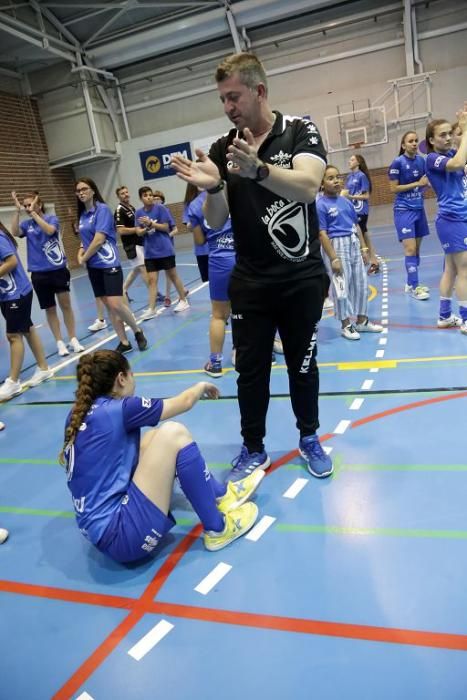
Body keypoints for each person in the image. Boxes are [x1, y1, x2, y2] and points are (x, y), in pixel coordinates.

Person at [172, 52, 332, 481]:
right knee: (250, 371)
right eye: (223, 100)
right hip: (251, 280)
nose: (228, 107)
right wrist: (213, 188)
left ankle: (309, 436)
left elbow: (308, 187)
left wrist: (258, 170)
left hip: (299, 277)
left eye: (233, 97)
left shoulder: (300, 130)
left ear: (259, 91)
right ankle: (253, 446)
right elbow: (218, 219)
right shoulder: (226, 148)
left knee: (303, 364)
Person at [60, 350, 262, 562]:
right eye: (131, 375)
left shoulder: (77, 413)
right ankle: (218, 529)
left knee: (152, 438)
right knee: (174, 433)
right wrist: (200, 386)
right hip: (123, 537)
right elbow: (183, 402)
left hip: (102, 535)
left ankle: (221, 495)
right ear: (121, 379)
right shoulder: (121, 408)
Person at [75, 177, 148, 353]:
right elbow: (85, 240)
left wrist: (84, 258)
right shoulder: (83, 215)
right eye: (78, 191)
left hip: (108, 264)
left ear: (93, 190)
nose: (81, 193)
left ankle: (137, 331)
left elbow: (99, 239)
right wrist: (80, 253)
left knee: (116, 303)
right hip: (94, 267)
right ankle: (124, 342)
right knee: (108, 306)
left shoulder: (102, 210)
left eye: (84, 189)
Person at [11, 191, 84, 356]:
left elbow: (49, 231)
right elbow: (15, 232)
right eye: (25, 205)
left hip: (58, 270)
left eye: (30, 204)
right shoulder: (26, 225)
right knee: (50, 309)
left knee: (65, 305)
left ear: (39, 204)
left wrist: (35, 214)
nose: (27, 208)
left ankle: (73, 338)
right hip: (39, 274)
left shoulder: (52, 219)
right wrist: (16, 211)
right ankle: (60, 342)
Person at [317, 165, 383, 340]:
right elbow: (322, 233)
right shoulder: (320, 205)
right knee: (341, 287)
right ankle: (345, 325)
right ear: (321, 183)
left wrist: (364, 248)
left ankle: (362, 321)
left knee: (361, 283)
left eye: (337, 177)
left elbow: (356, 226)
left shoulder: (345, 201)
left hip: (353, 242)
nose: (336, 180)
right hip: (336, 245)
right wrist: (333, 258)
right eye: (330, 178)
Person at [184, 184, 236, 376]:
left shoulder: (195, 205)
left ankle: (215, 364)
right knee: (249, 310)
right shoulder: (234, 190)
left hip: (220, 260)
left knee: (219, 316)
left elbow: (200, 241)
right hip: (244, 258)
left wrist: (194, 227)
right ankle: (257, 355)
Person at [0, 221, 53, 401]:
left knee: (13, 336)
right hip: (7, 294)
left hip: (18, 293)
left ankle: (13, 381)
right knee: (27, 329)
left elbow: (12, 262)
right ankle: (44, 368)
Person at [426, 107, 467, 334]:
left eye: (449, 133)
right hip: (452, 220)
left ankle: (444, 316)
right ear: (431, 140)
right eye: (442, 135)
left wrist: (461, 128)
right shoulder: (433, 158)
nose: (448, 138)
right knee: (465, 270)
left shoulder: (451, 153)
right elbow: (458, 164)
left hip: (457, 218)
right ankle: (466, 319)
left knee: (451, 269)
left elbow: (461, 151)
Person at [387, 132, 430, 301]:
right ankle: (414, 286)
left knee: (417, 250)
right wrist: (417, 184)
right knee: (410, 249)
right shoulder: (397, 162)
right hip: (403, 210)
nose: (414, 143)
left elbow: (425, 182)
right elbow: (393, 188)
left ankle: (410, 282)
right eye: (410, 141)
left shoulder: (422, 161)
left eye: (416, 140)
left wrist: (423, 188)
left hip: (419, 209)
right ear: (403, 145)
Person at [135, 187, 189, 319]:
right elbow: (138, 232)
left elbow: (166, 227)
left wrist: (151, 224)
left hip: (165, 249)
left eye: (150, 195)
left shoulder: (161, 209)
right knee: (152, 280)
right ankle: (151, 309)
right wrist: (145, 228)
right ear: (141, 198)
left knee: (172, 275)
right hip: (150, 252)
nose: (149, 197)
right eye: (145, 195)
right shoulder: (138, 213)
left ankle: (183, 300)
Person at [68, 206, 108, 333]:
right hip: (93, 266)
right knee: (99, 294)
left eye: (77, 225)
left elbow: (94, 244)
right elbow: (82, 247)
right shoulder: (83, 236)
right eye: (75, 227)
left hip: (106, 262)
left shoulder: (97, 225)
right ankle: (101, 320)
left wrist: (83, 257)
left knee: (115, 292)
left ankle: (126, 313)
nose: (77, 228)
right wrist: (80, 257)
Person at [342, 153, 380, 274]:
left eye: (352, 159)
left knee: (359, 235)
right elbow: (345, 193)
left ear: (358, 162)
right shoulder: (349, 177)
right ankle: (373, 262)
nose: (349, 161)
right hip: (352, 210)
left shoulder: (362, 176)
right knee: (363, 235)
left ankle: (367, 260)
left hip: (361, 210)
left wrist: (351, 196)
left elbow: (366, 195)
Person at [114, 185, 148, 304]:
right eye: (122, 193)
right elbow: (121, 230)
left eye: (126, 192)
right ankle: (154, 293)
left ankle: (123, 290)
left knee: (137, 269)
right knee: (143, 268)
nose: (126, 194)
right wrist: (136, 230)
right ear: (118, 196)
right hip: (131, 244)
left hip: (140, 242)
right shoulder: (119, 210)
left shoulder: (132, 208)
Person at [183, 183, 210, 285]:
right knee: (210, 281)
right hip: (202, 250)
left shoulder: (214, 195)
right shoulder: (190, 204)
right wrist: (192, 224)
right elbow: (189, 225)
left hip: (219, 246)